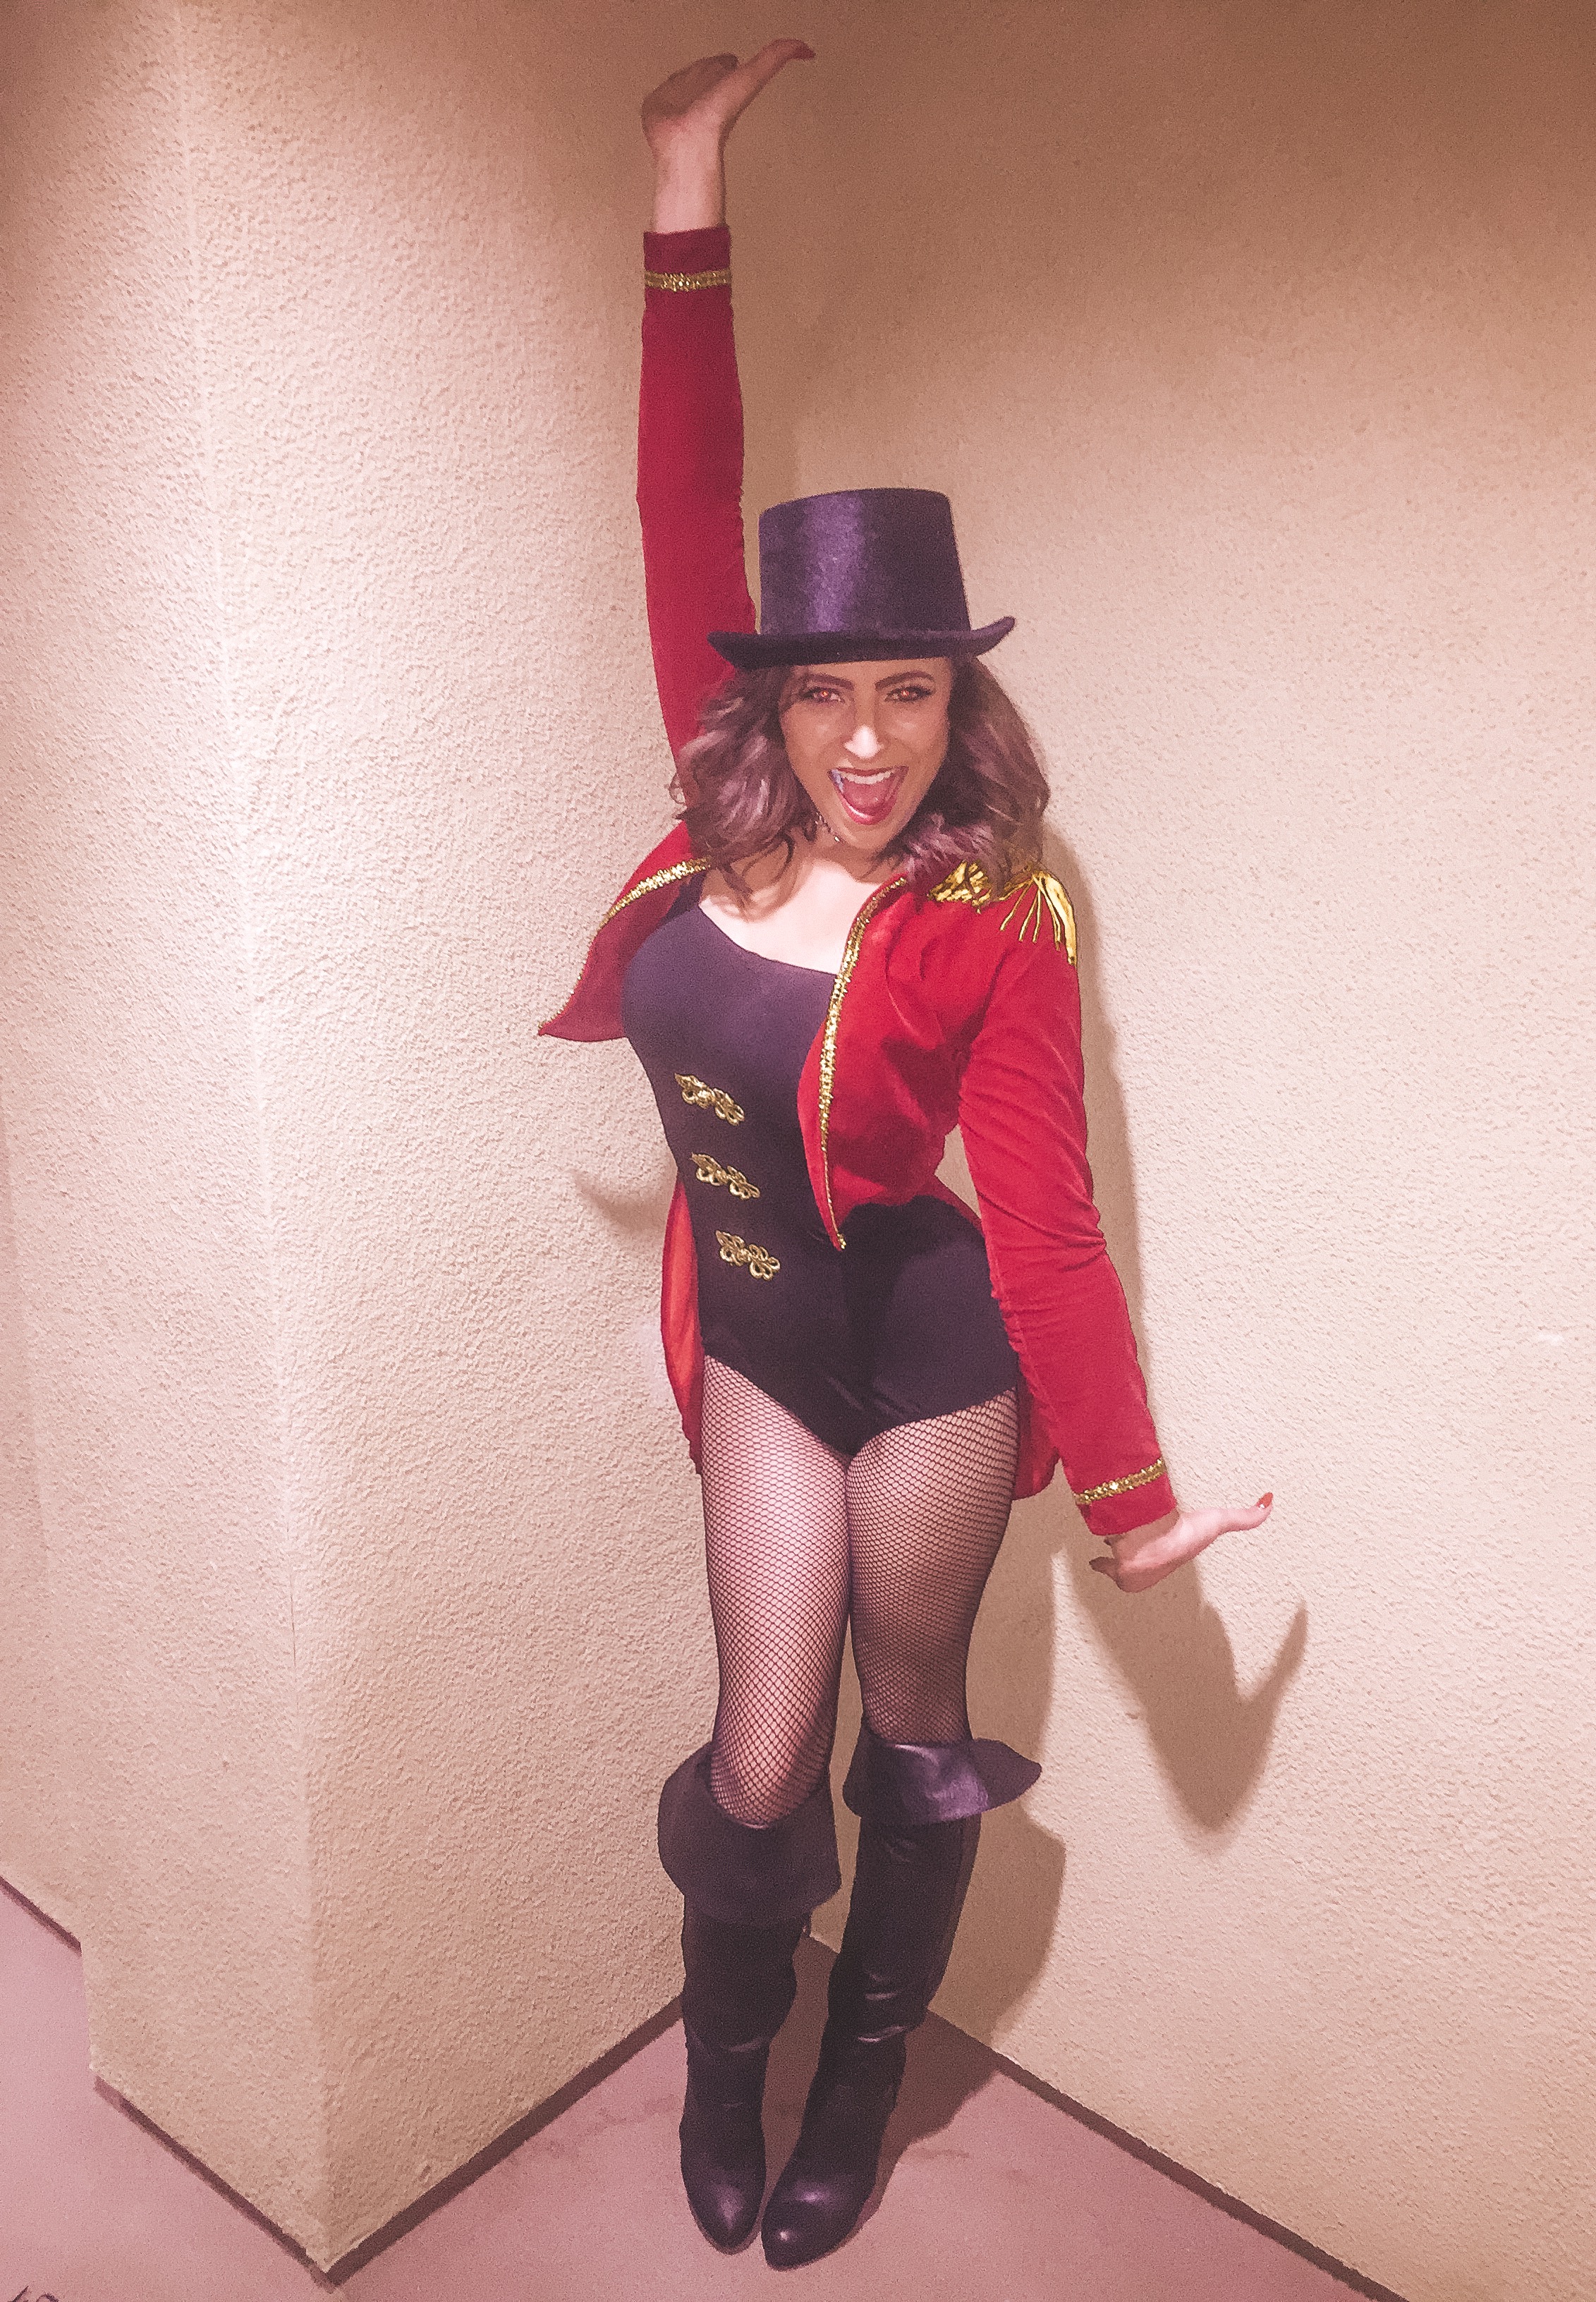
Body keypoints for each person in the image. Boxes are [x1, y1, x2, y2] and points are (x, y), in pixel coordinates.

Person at [540, 39, 1274, 2270]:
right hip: (771, 1351)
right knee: (762, 1754)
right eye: (827, 691)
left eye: (915, 693)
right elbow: (685, 498)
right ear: (769, 699)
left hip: (937, 1366)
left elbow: (1042, 1222)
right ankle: (730, 2055)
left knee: (913, 1719)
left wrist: (1132, 1502)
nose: (868, 741)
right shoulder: (717, 811)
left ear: (964, 703)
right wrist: (686, 181)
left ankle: (860, 2076)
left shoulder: (999, 915)